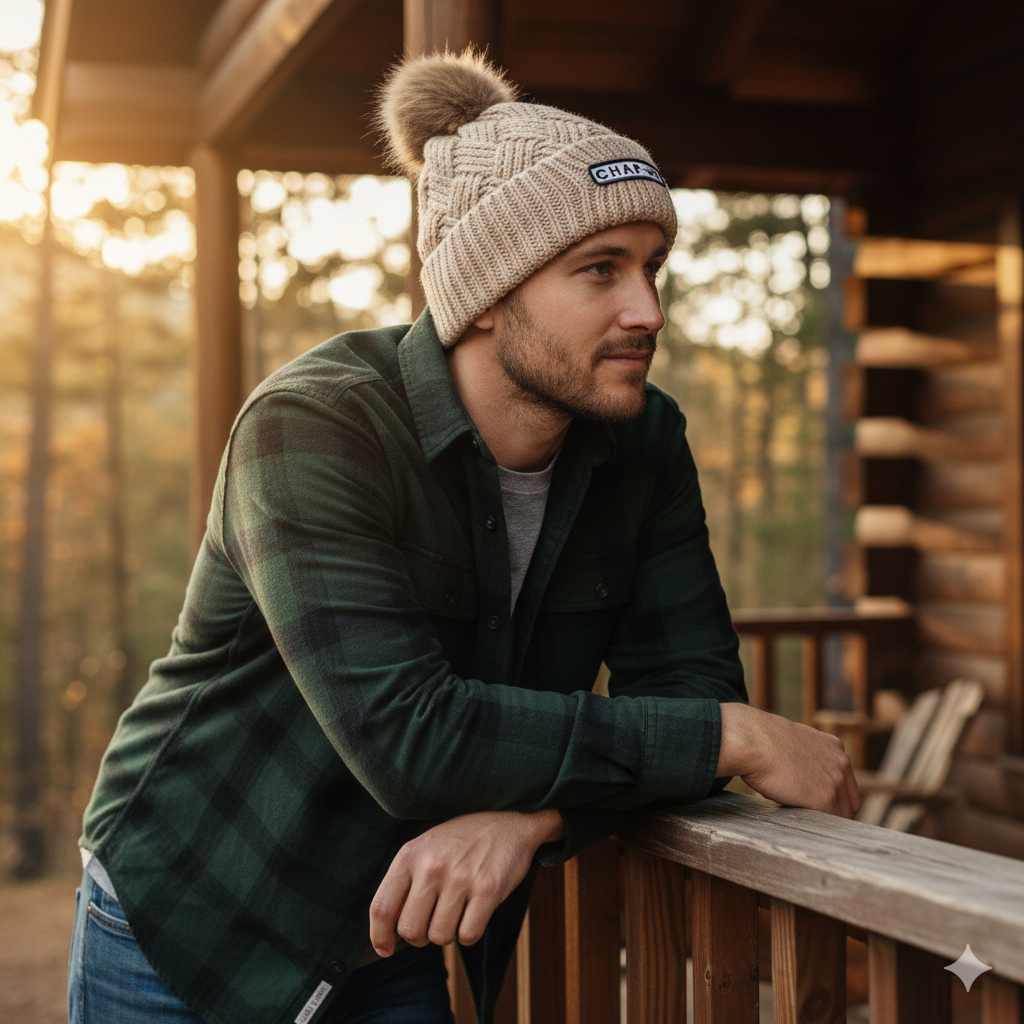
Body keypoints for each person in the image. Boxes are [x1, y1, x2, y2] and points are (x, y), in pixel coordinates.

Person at [68, 49, 858, 1024]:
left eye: (651, 267)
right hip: (191, 912)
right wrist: (731, 737)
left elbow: (688, 690)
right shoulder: (314, 427)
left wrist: (539, 816)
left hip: (396, 931)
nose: (646, 310)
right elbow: (411, 733)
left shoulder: (643, 444)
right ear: (486, 291)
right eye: (598, 271)